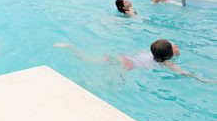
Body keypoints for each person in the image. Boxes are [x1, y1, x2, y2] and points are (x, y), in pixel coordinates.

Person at [54, 40, 215, 83]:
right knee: (108, 83)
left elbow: (140, 53)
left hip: (122, 57)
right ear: (168, 56)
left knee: (89, 60)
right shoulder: (167, 64)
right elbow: (187, 74)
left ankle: (70, 47)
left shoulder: (149, 52)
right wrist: (208, 80)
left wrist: (173, 52)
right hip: (127, 65)